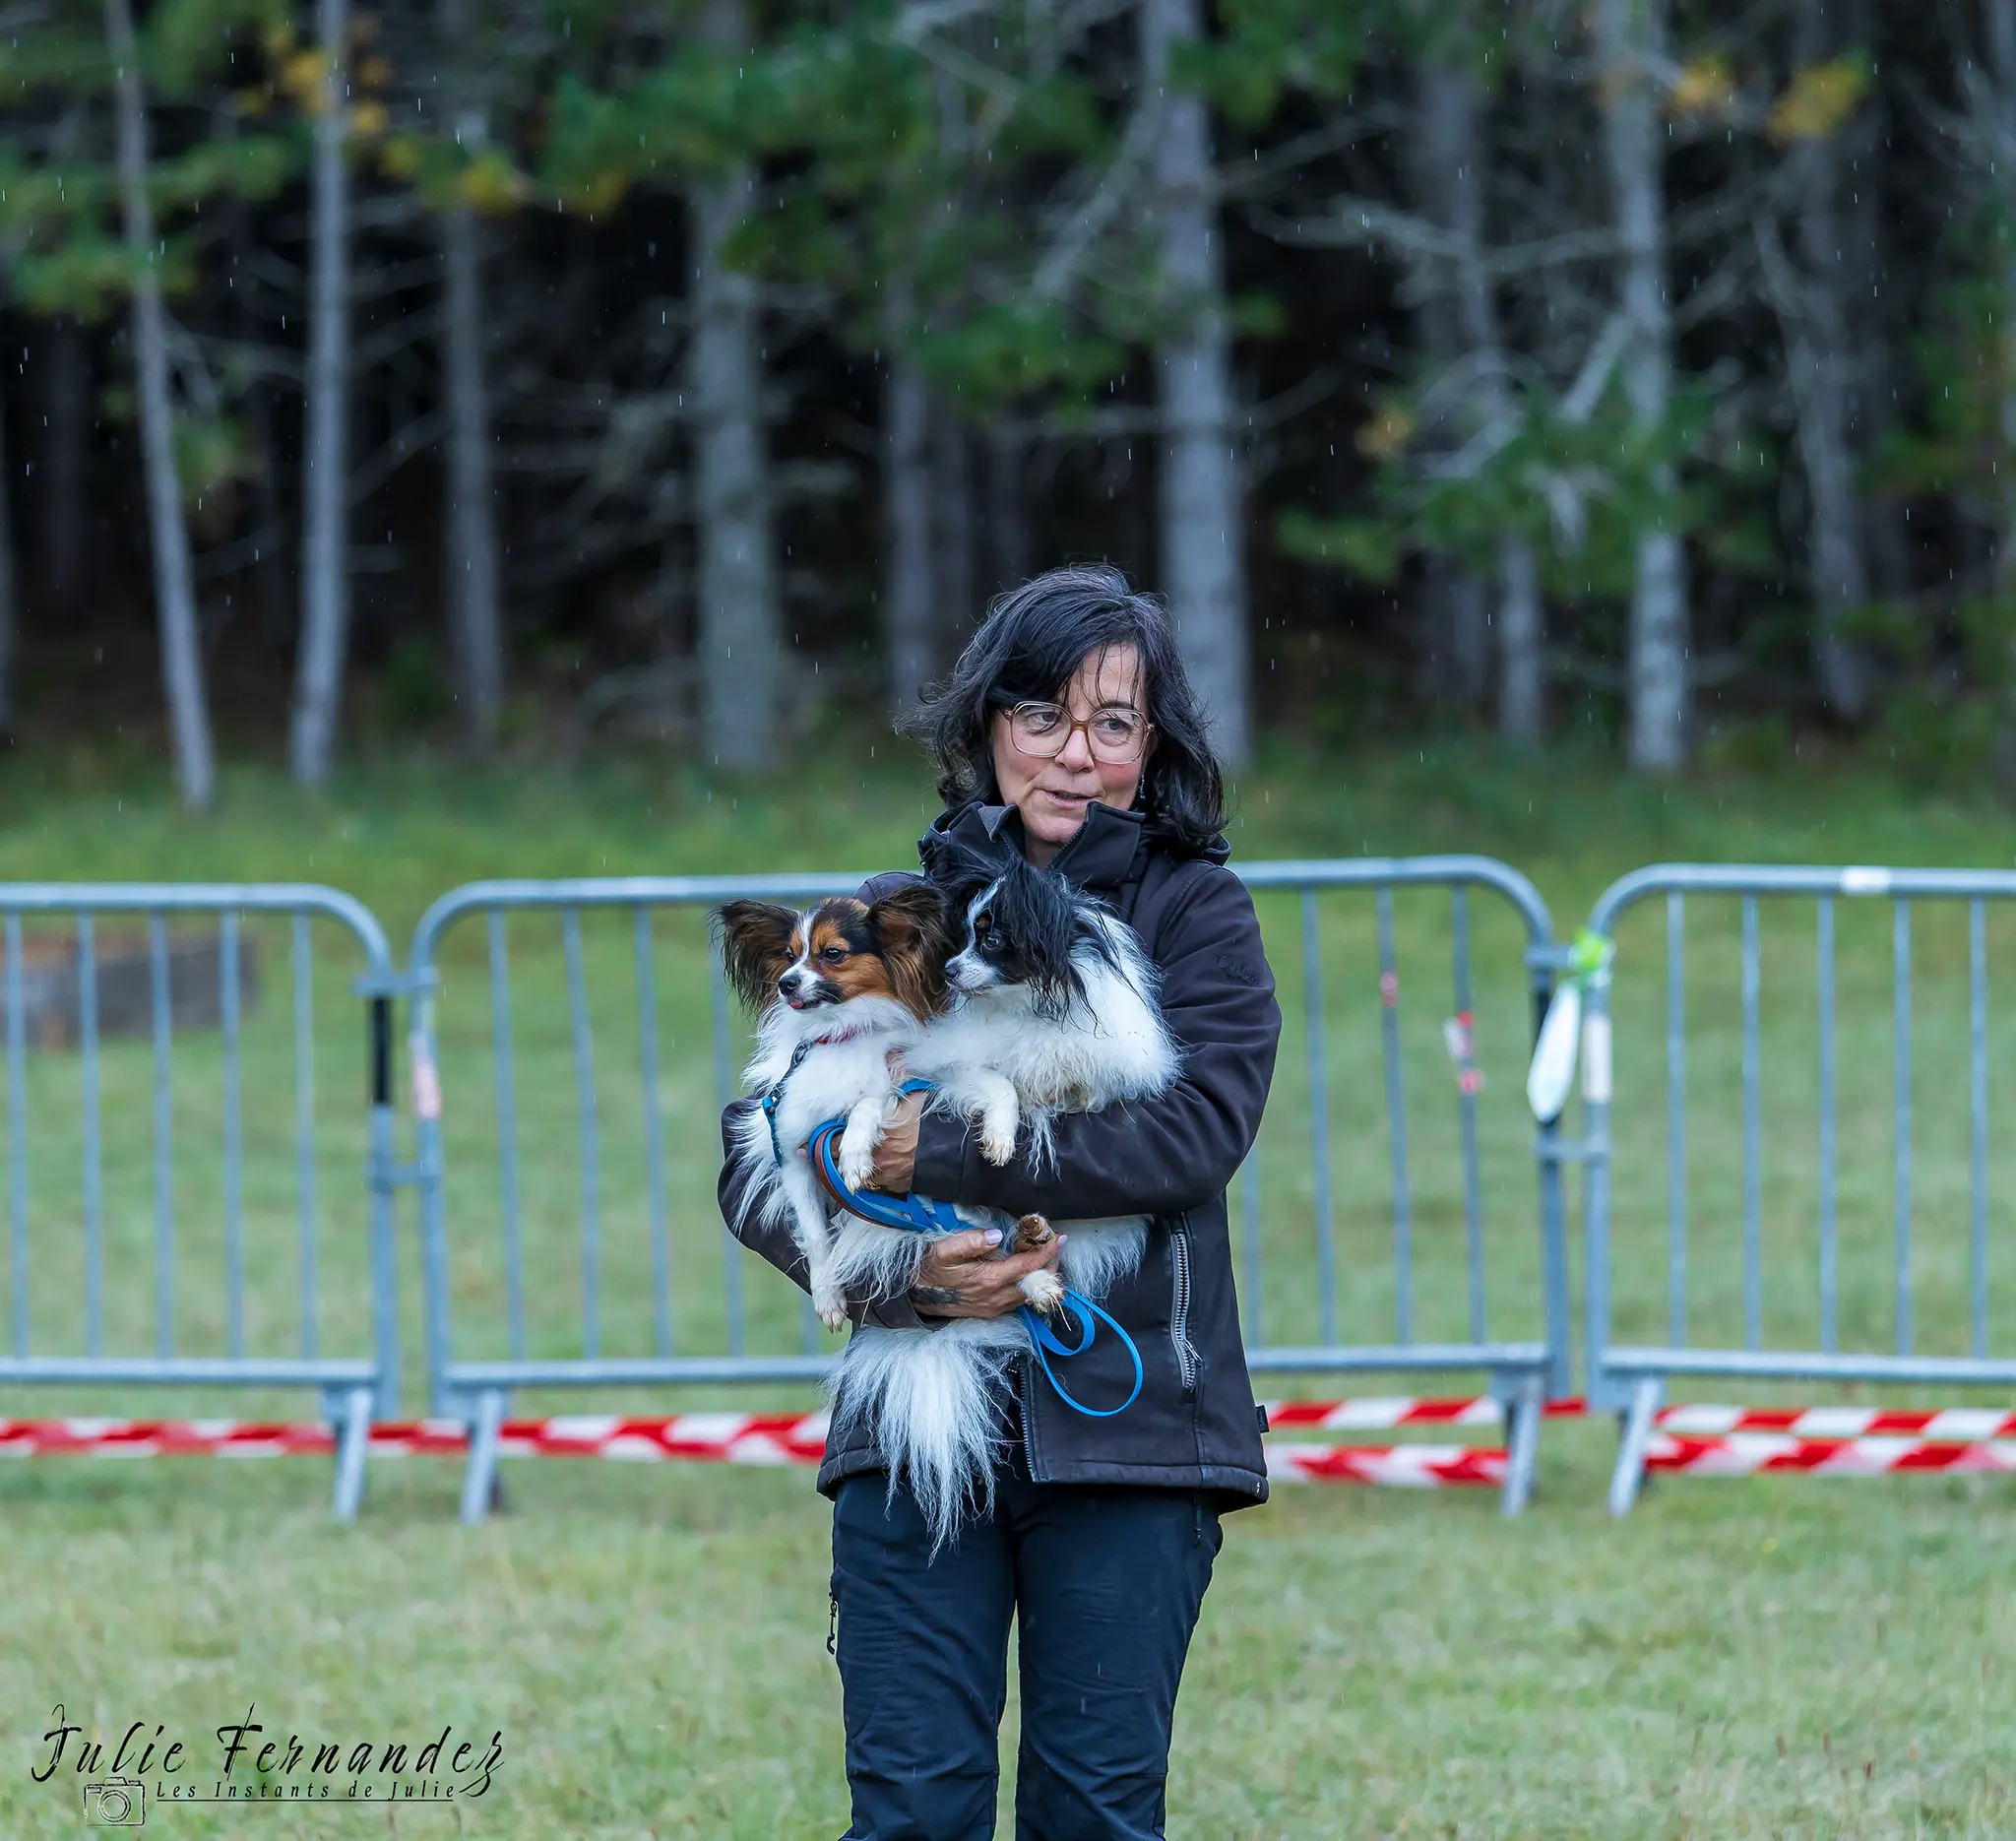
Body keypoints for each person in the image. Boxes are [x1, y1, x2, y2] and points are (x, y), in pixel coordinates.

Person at [718, 564, 1282, 1840]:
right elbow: (758, 1140)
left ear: (1155, 742)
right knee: (912, 1816)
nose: (1074, 755)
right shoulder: (889, 919)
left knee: (1090, 1819)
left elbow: (1195, 1135)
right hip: (915, 1429)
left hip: (1135, 1426)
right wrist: (889, 1280)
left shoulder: (1200, 914)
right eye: (1043, 716)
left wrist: (953, 1159)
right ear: (987, 728)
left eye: (1114, 723)